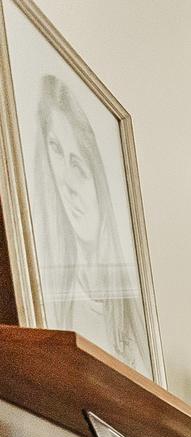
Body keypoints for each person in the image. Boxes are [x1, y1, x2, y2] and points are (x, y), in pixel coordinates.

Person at [29, 73, 147, 373]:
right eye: (57, 152)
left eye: (78, 165)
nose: (66, 184)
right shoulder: (55, 298)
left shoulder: (130, 312)